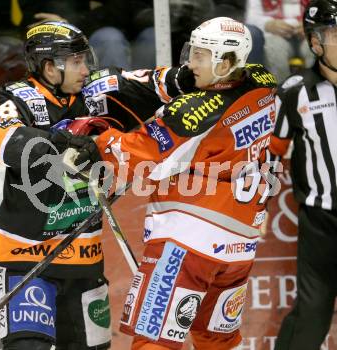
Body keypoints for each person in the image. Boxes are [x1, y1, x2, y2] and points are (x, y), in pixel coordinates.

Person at [75, 17, 277, 350]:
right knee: (217, 339)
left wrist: (93, 142)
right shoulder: (262, 81)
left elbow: (134, 157)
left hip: (187, 242)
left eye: (200, 56)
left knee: (154, 340)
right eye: (192, 52)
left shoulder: (191, 112)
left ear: (226, 63)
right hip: (240, 243)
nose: (190, 63)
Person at [0, 20, 113, 350]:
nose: (85, 69)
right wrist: (63, 142)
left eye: (86, 60)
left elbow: (153, 88)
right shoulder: (14, 96)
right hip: (25, 255)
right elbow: (8, 143)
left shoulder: (96, 94)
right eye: (76, 62)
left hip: (84, 256)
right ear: (48, 66)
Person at [270, 1, 337, 349]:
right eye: (336, 34)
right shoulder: (295, 91)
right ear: (315, 43)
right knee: (313, 312)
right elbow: (273, 151)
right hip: (321, 220)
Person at [246, 0, 315, 82]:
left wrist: (311, 24)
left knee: (317, 47)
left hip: (310, 33)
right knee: (274, 49)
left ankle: (315, 90)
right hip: (274, 35)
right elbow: (250, 16)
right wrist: (268, 24)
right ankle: (279, 90)